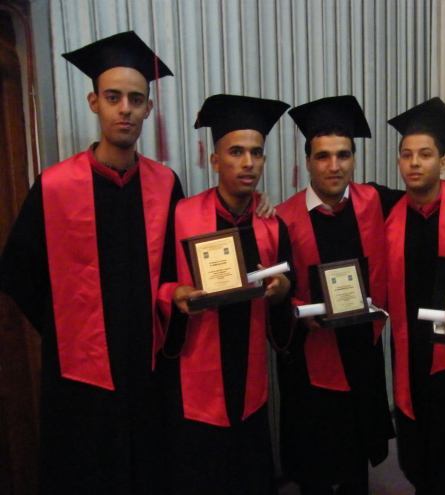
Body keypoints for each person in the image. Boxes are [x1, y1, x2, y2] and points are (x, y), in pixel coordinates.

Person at [0, 31, 182, 494]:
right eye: (113, 97)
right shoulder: (56, 186)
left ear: (149, 108)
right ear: (93, 102)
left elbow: (177, 268)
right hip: (80, 371)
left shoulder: (165, 184)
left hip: (147, 364)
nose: (125, 109)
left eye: (136, 99)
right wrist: (65, 325)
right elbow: (17, 270)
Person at [155, 94, 293, 495]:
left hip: (249, 373)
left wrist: (282, 291)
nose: (248, 162)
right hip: (197, 370)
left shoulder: (272, 226)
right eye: (236, 152)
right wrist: (175, 294)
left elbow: (286, 292)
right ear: (215, 160)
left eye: (256, 152)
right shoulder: (181, 215)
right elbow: (159, 282)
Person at [276, 95, 395, 495]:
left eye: (343, 155)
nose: (334, 165)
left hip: (361, 348)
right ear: (308, 162)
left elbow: (424, 197)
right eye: (323, 156)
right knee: (316, 463)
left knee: (357, 461)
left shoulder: (373, 201)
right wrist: (298, 311)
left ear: (354, 159)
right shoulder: (283, 218)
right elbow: (276, 292)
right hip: (311, 354)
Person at [384, 97, 445, 494]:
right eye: (406, 155)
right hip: (410, 345)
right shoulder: (387, 210)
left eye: (425, 155)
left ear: (443, 162)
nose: (414, 163)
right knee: (417, 444)